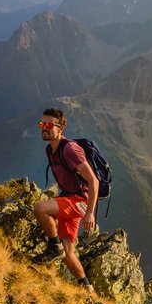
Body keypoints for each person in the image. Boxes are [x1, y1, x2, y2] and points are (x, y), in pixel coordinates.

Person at [32, 107, 98, 291]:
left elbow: (93, 180)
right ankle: (87, 288)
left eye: (48, 125)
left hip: (79, 201)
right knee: (68, 253)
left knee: (40, 208)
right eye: (41, 124)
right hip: (69, 198)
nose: (43, 128)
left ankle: (54, 247)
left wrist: (90, 213)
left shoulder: (70, 149)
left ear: (60, 128)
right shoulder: (50, 150)